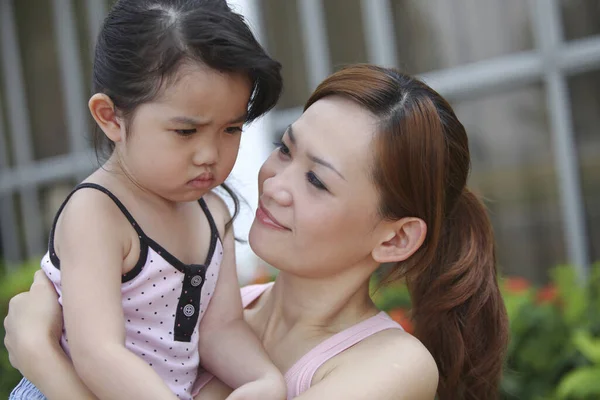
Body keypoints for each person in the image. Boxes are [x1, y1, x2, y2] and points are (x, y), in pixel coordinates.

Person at [5, 64, 509, 400]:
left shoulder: (393, 367)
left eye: (316, 180)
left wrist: (39, 355)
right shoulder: (220, 306)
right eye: (286, 150)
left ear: (396, 238)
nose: (274, 183)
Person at [6, 1, 287, 399]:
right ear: (111, 117)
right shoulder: (97, 213)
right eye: (186, 132)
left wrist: (263, 380)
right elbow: (97, 352)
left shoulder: (214, 211)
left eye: (230, 129)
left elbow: (220, 328)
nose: (210, 153)